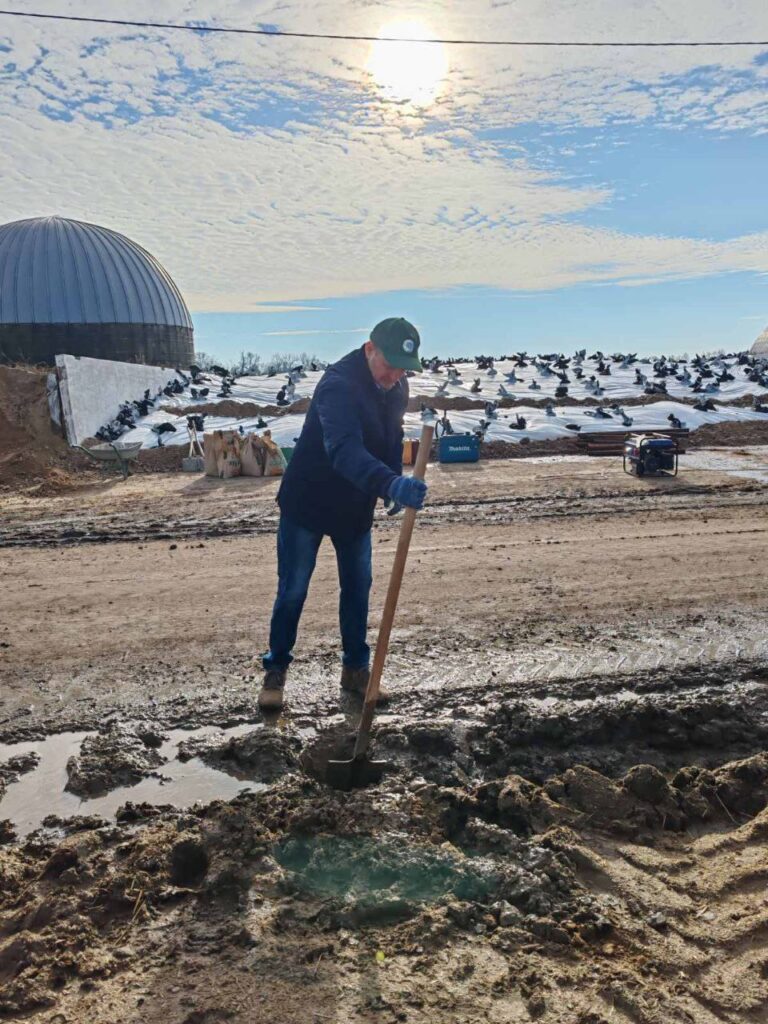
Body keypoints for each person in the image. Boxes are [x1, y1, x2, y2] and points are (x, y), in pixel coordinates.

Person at [258, 318, 427, 710]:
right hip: (309, 502)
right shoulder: (338, 386)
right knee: (293, 589)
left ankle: (355, 670)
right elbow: (344, 450)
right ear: (369, 350)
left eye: (403, 369)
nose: (396, 376)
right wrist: (388, 483)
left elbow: (392, 434)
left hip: (354, 504)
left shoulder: (397, 385)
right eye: (390, 365)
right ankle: (275, 671)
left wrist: (392, 477)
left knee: (357, 587)